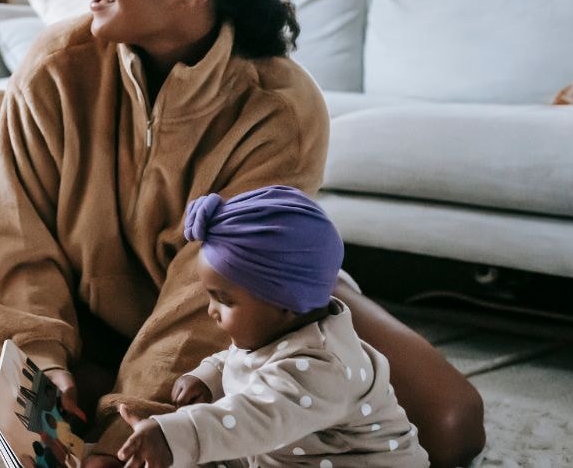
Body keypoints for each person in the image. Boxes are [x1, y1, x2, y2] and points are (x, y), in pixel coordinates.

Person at [0, 0, 485, 468]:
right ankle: (157, 399)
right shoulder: (53, 68)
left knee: (450, 426)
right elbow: (16, 234)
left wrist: (128, 441)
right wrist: (45, 358)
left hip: (250, 315)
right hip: (91, 311)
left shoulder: (280, 106)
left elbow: (212, 293)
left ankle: (159, 402)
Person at [117, 186, 427, 467]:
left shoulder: (322, 370)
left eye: (223, 300)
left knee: (199, 446)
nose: (211, 311)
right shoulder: (277, 331)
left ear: (284, 302)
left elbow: (255, 416)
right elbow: (241, 361)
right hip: (281, 453)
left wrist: (177, 435)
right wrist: (209, 377)